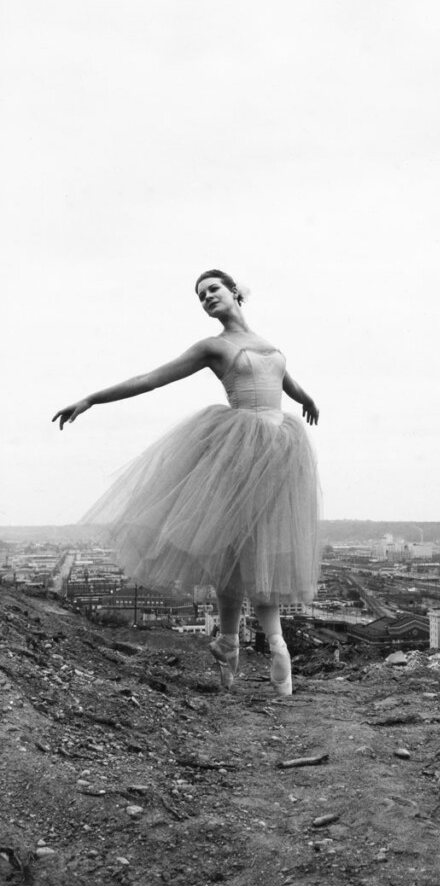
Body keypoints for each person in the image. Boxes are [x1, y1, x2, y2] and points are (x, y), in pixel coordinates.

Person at [53, 269, 320, 696]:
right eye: (200, 296)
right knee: (240, 550)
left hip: (272, 450)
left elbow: (283, 380)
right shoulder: (214, 347)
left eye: (213, 289)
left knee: (251, 549)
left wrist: (305, 398)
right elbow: (152, 378)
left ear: (235, 292)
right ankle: (264, 645)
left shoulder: (266, 344)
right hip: (246, 448)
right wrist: (92, 398)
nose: (206, 298)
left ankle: (247, 645)